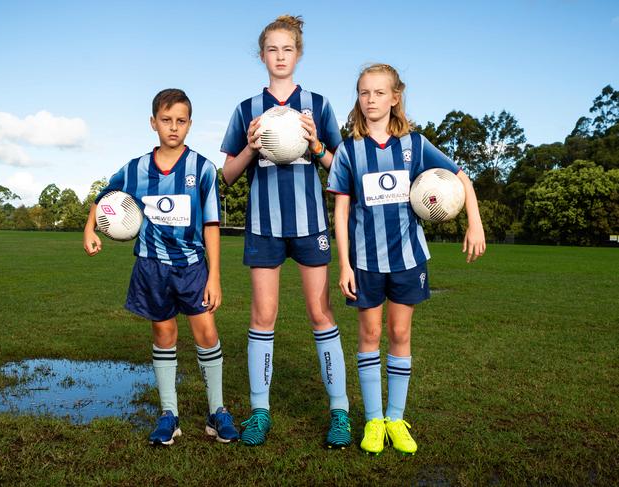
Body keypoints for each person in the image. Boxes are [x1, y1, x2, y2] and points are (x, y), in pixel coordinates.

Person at [327, 64, 486, 455]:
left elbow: (461, 177)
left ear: (395, 97)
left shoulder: (415, 144)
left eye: (379, 93)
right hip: (364, 262)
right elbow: (342, 214)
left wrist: (475, 223)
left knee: (399, 335)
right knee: (369, 336)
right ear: (358, 98)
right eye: (364, 93)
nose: (371, 100)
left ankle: (396, 418)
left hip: (408, 259)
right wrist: (344, 264)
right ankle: (373, 421)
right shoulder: (349, 151)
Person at [220, 15, 350, 448]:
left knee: (320, 313)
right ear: (262, 56)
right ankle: (260, 412)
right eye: (272, 49)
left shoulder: (319, 104)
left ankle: (340, 411)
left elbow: (340, 167)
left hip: (311, 224)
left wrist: (315, 148)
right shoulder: (246, 109)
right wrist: (250, 148)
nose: (279, 56)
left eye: (287, 49)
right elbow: (228, 174)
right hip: (264, 226)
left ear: (298, 54)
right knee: (263, 316)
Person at [83, 88, 239, 446]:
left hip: (192, 267)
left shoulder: (201, 169)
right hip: (151, 266)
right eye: (166, 120)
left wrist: (214, 276)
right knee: (164, 335)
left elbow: (212, 225)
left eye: (180, 121)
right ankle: (170, 414)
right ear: (153, 122)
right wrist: (89, 228)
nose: (173, 127)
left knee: (206, 334)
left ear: (190, 124)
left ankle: (217, 412)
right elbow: (104, 197)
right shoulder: (136, 168)